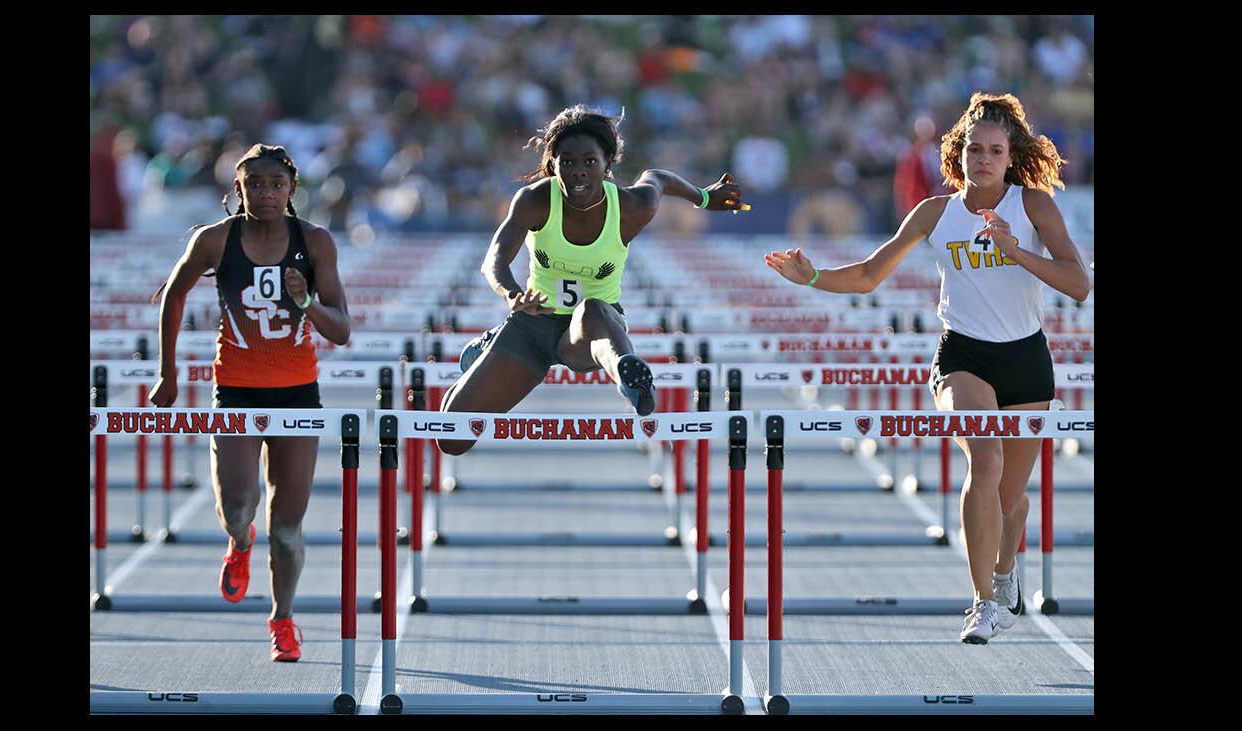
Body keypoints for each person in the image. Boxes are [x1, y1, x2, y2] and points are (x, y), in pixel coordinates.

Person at [764, 92, 1090, 644]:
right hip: (963, 355)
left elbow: (1079, 285)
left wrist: (1016, 253)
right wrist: (813, 277)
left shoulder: (1033, 206)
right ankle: (982, 602)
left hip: (1027, 360)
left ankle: (1006, 573)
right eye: (974, 149)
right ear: (957, 154)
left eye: (994, 150)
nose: (983, 159)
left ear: (1010, 158)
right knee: (983, 464)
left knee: (1010, 499)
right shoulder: (936, 213)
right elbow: (869, 275)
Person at [436, 104, 746, 456]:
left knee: (593, 310)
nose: (577, 173)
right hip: (532, 324)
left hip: (591, 333)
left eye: (589, 162)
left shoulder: (632, 206)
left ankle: (629, 377)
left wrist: (704, 198)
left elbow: (658, 178)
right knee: (451, 437)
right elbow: (494, 259)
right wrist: (511, 294)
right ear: (552, 164)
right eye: (566, 162)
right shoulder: (535, 200)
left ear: (607, 164)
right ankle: (493, 344)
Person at [148, 144, 351, 661]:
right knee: (237, 509)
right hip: (236, 389)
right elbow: (173, 294)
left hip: (298, 394)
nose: (264, 193)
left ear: (291, 190)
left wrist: (304, 301)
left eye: (275, 184)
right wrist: (168, 373)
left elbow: (343, 329)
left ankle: (283, 619)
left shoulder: (316, 242)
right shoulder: (215, 240)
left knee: (288, 527)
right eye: (253, 184)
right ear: (237, 191)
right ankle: (240, 545)